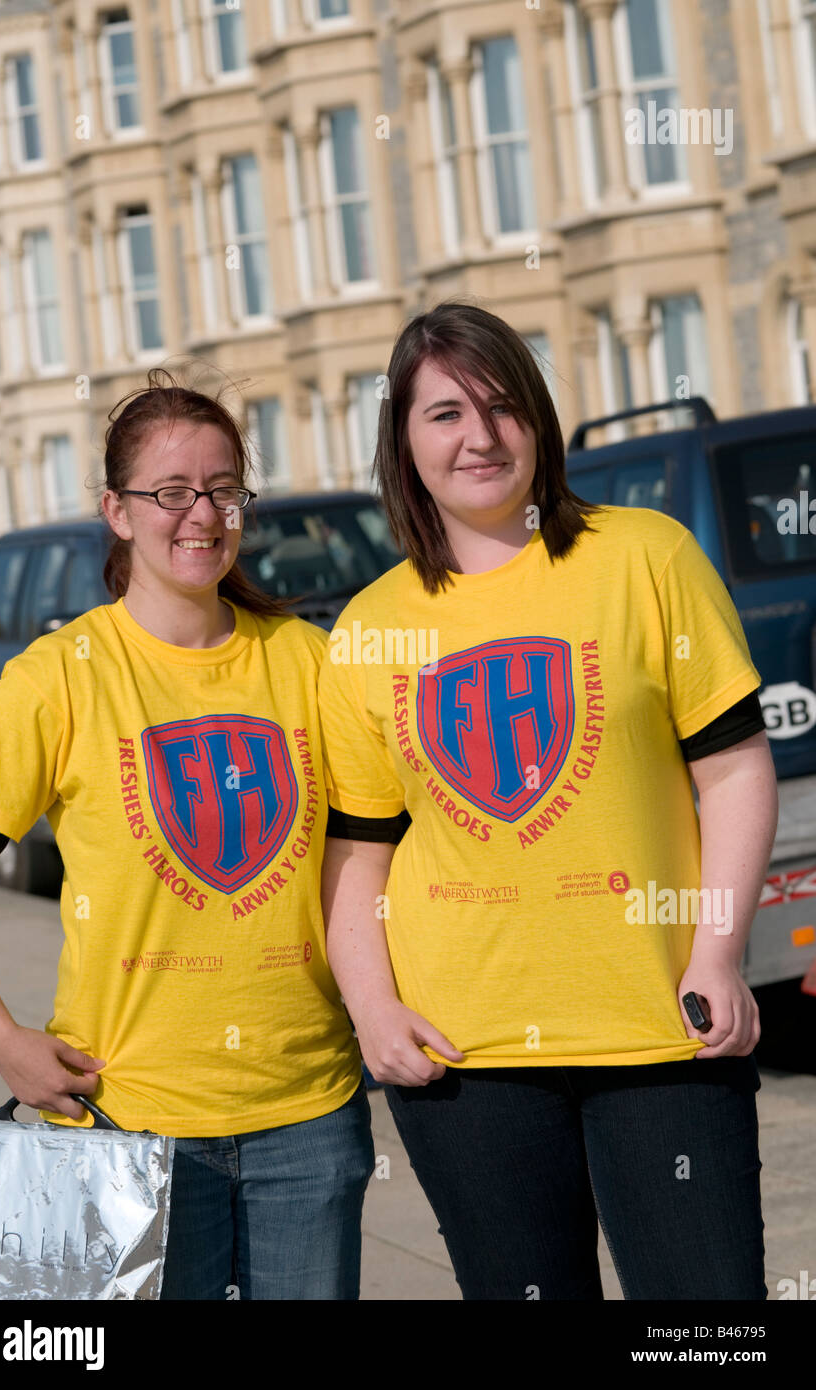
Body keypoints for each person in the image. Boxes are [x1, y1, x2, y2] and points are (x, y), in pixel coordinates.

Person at [319, 301, 777, 1301]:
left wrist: (715, 950)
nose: (477, 436)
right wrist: (371, 1008)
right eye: (442, 413)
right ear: (402, 439)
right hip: (464, 1056)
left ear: (537, 419)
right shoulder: (367, 627)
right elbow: (359, 847)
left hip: (663, 1030)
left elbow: (734, 770)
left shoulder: (643, 557)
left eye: (499, 406)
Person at [0, 372, 374, 1300]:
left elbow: (374, 860)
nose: (202, 515)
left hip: (308, 1119)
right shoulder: (57, 680)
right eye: (171, 493)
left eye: (224, 490)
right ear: (116, 510)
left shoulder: (307, 661)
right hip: (123, 1127)